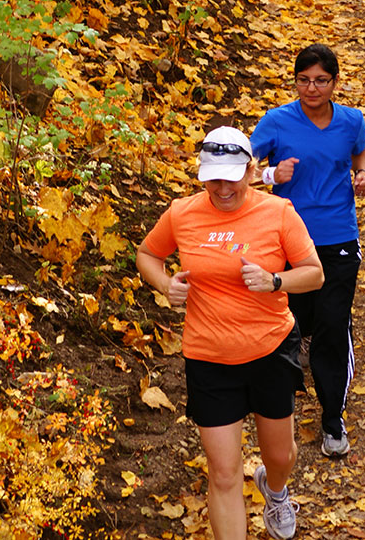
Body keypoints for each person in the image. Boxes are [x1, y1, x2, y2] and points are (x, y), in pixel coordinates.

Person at [136, 126, 324, 540]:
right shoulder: (182, 213)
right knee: (223, 474)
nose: (222, 187)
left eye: (231, 177)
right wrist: (166, 285)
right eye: (212, 178)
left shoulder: (278, 213)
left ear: (252, 171)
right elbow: (148, 254)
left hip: (270, 350)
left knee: (280, 455)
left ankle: (275, 490)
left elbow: (314, 275)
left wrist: (275, 281)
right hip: (209, 357)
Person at [250, 43, 365, 458]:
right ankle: (293, 368)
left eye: (321, 80)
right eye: (304, 80)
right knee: (296, 322)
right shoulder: (277, 122)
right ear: (295, 82)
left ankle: (332, 417)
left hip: (338, 237)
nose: (312, 88)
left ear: (335, 83)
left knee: (333, 327)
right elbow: (242, 168)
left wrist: (362, 175)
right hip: (287, 239)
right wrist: (271, 172)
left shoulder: (351, 121)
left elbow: (359, 152)